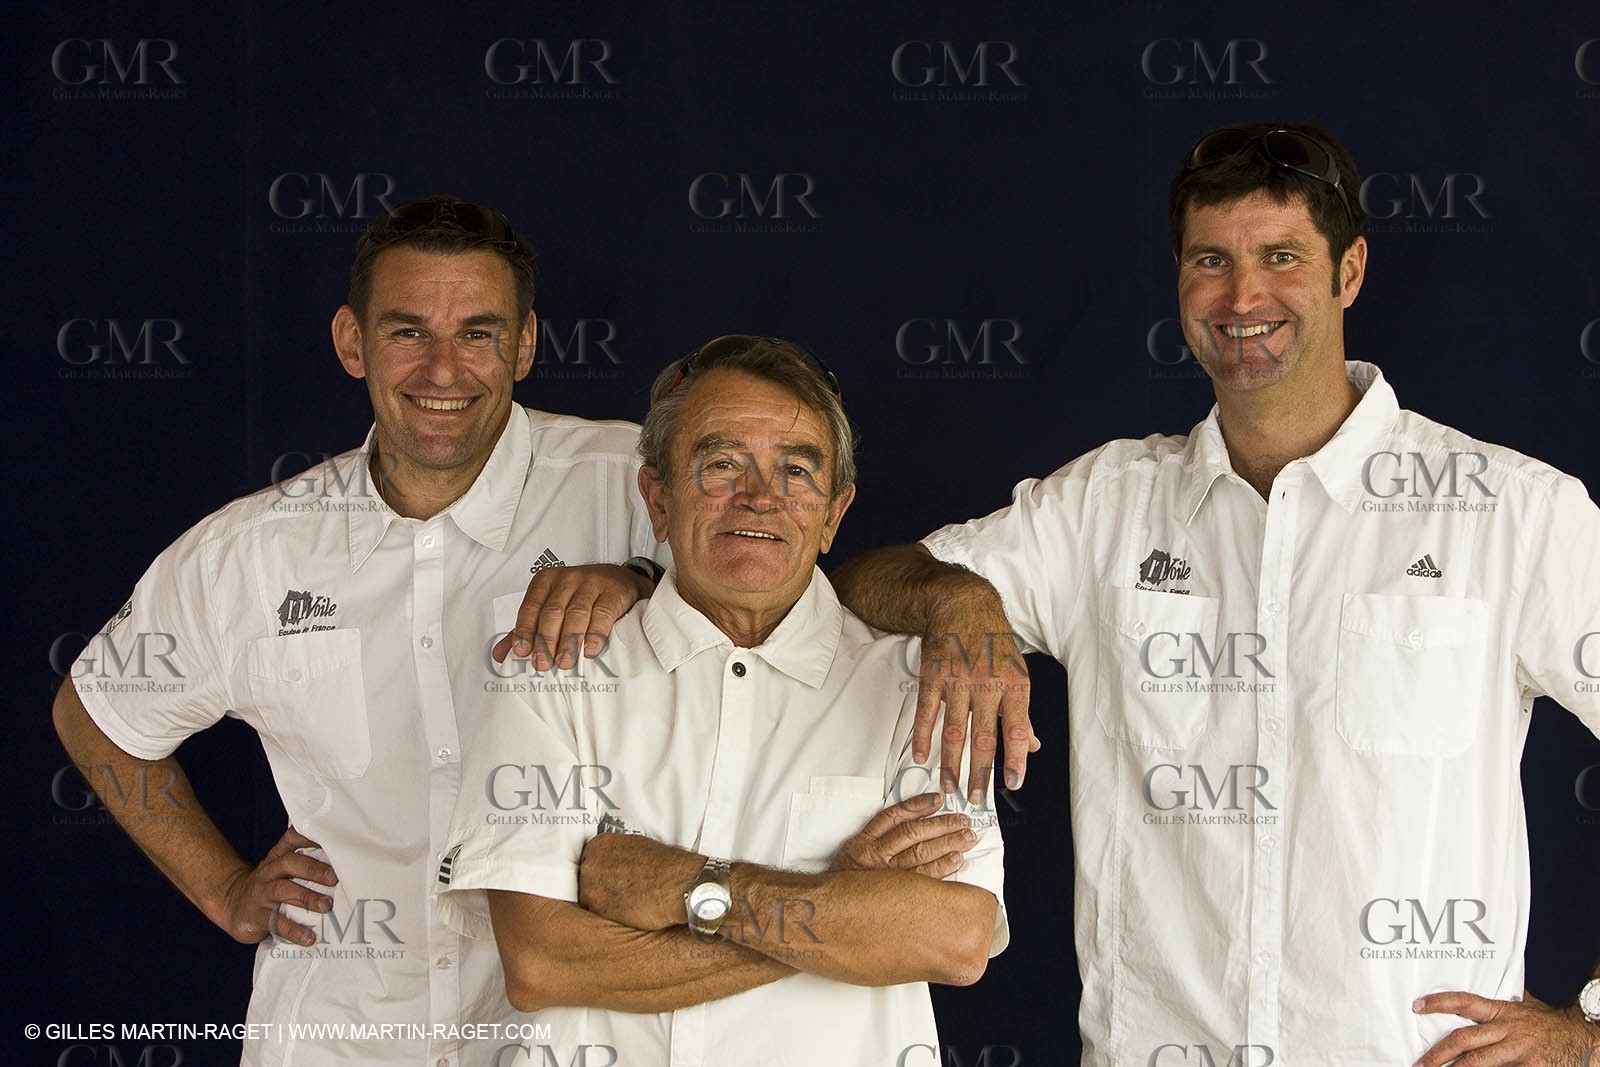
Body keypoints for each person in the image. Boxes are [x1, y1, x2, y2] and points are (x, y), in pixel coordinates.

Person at [832, 123, 1600, 1066]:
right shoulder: (1104, 510)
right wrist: (960, 602)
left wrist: (1589, 1031)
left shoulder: (1508, 513)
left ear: (1348, 272)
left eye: (1281, 257)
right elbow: (860, 588)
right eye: (1211, 260)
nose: (1243, 298)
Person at [51, 196, 668, 1067]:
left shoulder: (638, 488)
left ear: (526, 344)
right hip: (337, 1035)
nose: (443, 368)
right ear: (353, 341)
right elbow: (96, 713)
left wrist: (643, 578)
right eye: (408, 331)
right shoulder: (254, 551)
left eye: (480, 333)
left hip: (575, 1032)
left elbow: (781, 616)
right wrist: (227, 889)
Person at [433, 335, 1008, 1064]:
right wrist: (839, 905)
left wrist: (689, 888)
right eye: (721, 463)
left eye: (797, 471)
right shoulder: (552, 670)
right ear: (658, 497)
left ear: (834, 514)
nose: (761, 496)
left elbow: (951, 938)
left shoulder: (919, 688)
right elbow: (545, 961)